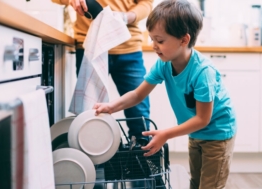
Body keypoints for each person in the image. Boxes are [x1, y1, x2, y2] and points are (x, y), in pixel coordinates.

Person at [94, 0, 237, 188]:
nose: (154, 45)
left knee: (210, 185)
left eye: (160, 40)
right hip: (195, 134)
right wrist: (111, 106)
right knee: (195, 182)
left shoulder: (203, 73)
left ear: (184, 40)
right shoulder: (164, 64)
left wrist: (166, 134)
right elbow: (137, 95)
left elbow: (203, 119)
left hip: (217, 134)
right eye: (152, 39)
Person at [51, 0, 153, 140]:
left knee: (139, 116)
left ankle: (141, 157)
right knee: (89, 113)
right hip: (90, 45)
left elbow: (146, 3)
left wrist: (126, 16)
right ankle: (92, 159)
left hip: (128, 46)